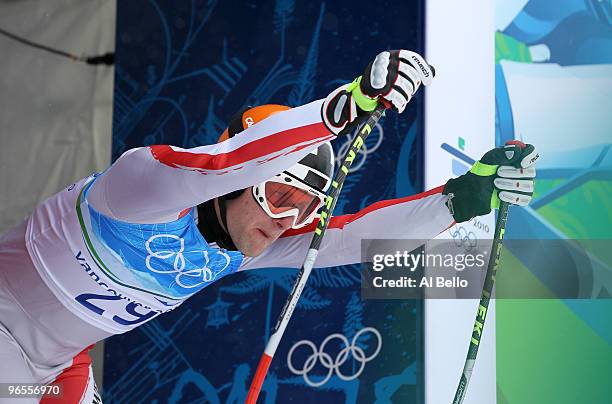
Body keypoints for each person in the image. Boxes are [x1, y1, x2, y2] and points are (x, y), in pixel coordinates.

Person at [0, 49, 538, 403]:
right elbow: (221, 163)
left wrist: (466, 198)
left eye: (303, 210)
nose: (286, 224)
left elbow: (349, 238)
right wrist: (341, 108)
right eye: (279, 197)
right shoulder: (141, 188)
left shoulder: (249, 243)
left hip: (51, 370)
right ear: (244, 182)